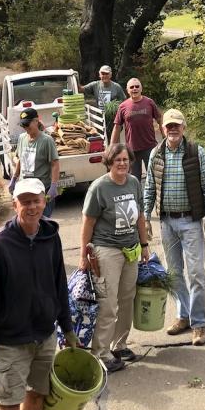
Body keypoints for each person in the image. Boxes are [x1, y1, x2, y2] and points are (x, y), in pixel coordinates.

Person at [0, 178, 77, 410]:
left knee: (36, 398)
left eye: (36, 200)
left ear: (44, 202)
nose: (31, 206)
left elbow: (59, 284)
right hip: (11, 341)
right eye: (25, 201)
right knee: (8, 408)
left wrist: (67, 328)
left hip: (44, 336)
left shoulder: (50, 236)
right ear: (14, 204)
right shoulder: (0, 244)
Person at [143, 109, 205, 346]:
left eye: (177, 125)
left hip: (190, 221)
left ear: (184, 127)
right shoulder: (156, 153)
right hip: (167, 222)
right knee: (174, 274)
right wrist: (145, 218)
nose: (172, 129)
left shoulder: (196, 152)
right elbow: (149, 189)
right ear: (162, 129)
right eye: (169, 126)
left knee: (196, 273)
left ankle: (199, 324)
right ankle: (183, 316)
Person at [79, 144, 150, 373]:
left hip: (131, 249)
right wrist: (84, 254)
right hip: (106, 250)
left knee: (127, 298)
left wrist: (145, 244)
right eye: (117, 160)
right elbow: (88, 222)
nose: (122, 163)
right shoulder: (99, 188)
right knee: (108, 303)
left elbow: (139, 215)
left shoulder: (133, 182)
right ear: (109, 162)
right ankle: (101, 352)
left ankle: (119, 344)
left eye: (125, 159)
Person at [109, 78, 162, 181]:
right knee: (134, 180)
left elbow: (160, 120)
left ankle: (154, 197)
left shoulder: (149, 102)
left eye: (137, 86)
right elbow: (117, 127)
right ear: (127, 90)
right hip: (132, 150)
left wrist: (165, 138)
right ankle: (137, 197)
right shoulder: (123, 106)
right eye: (131, 87)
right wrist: (111, 147)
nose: (134, 89)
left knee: (154, 178)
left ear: (141, 88)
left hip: (150, 148)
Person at [13, 107, 60, 218]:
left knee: (42, 224)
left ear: (36, 121)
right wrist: (14, 178)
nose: (25, 128)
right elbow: (20, 159)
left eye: (27, 124)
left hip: (41, 191)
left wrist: (53, 186)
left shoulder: (46, 141)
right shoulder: (22, 138)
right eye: (23, 125)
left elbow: (55, 164)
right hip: (25, 189)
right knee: (27, 223)